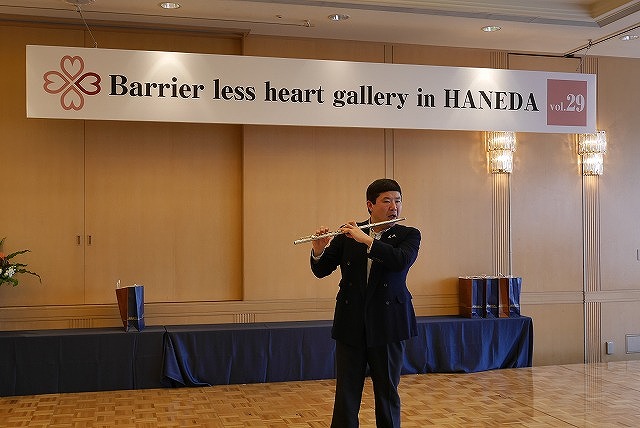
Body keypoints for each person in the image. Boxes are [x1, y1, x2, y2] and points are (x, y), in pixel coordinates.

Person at [310, 178, 421, 428]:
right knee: (346, 393)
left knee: (387, 392)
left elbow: (400, 261)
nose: (394, 207)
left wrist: (368, 240)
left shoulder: (409, 235)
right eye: (386, 201)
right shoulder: (348, 233)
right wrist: (318, 250)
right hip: (351, 322)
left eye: (398, 201)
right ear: (370, 205)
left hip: (389, 324)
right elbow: (321, 270)